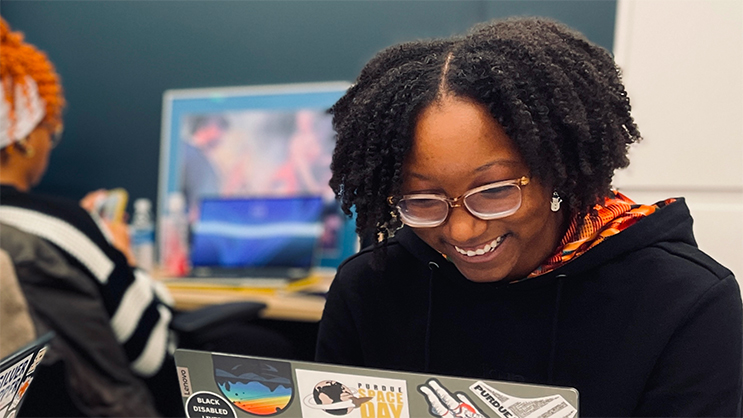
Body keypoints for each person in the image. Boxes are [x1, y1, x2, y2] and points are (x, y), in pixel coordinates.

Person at [316, 17, 743, 416]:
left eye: (495, 191)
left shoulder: (684, 302)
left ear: (558, 172)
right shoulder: (369, 290)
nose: (463, 229)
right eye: (423, 199)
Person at [0, 18, 182, 417]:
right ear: (26, 138)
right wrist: (125, 260)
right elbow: (153, 352)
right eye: (51, 128)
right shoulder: (67, 226)